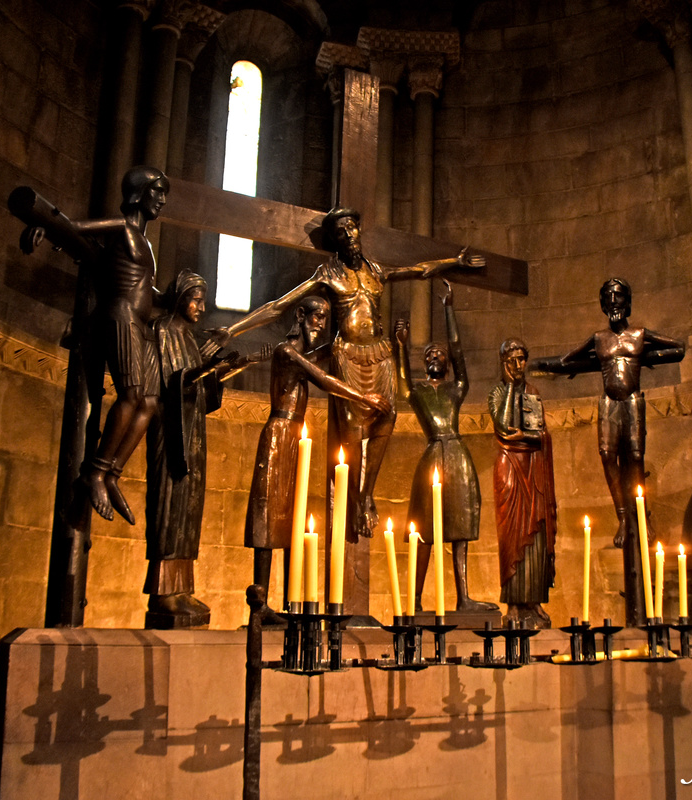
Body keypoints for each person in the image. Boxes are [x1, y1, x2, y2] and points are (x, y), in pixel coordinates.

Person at [206, 206, 482, 544]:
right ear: (335, 241)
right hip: (348, 354)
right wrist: (232, 331)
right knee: (352, 429)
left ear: (359, 231)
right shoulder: (327, 274)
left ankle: (366, 494)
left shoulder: (376, 270)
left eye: (352, 228)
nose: (349, 235)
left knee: (387, 417)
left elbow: (419, 270)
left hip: (379, 352)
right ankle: (353, 499)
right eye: (341, 232)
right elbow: (279, 304)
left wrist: (455, 261)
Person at [19, 166, 171, 526]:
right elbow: (75, 228)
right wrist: (46, 226)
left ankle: (112, 473)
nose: (162, 200)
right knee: (131, 397)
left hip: (139, 321)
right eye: (158, 191)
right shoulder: (122, 228)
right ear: (139, 193)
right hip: (119, 316)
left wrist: (174, 300)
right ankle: (94, 471)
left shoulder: (145, 242)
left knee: (150, 403)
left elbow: (146, 288)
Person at [244, 296, 389, 614]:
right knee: (269, 515)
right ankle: (261, 603)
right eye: (317, 317)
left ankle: (289, 601)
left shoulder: (300, 354)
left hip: (295, 437)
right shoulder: (286, 352)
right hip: (279, 434)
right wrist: (362, 395)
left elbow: (326, 355)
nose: (321, 324)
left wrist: (349, 343)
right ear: (300, 315)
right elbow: (323, 378)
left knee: (290, 517)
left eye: (326, 319)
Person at [144, 271, 263, 628]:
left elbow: (203, 388)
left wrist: (230, 367)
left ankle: (181, 588)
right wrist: (206, 366)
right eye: (195, 298)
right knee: (169, 505)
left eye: (203, 299)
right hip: (172, 431)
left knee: (189, 509)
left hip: (193, 429)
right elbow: (172, 380)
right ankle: (162, 592)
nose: (201, 306)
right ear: (179, 297)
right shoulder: (163, 330)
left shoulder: (191, 338)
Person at [530, 277, 685, 548]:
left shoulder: (639, 334)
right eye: (608, 298)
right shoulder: (599, 339)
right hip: (609, 402)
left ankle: (641, 516)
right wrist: (542, 366)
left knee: (635, 456)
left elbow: (678, 348)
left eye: (619, 296)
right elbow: (567, 360)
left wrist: (648, 357)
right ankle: (623, 517)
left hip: (633, 400)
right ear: (603, 304)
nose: (614, 302)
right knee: (606, 456)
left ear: (628, 302)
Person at [394, 281, 498, 614]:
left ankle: (464, 597)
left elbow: (460, 353)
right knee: (423, 530)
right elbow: (402, 384)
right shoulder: (419, 394)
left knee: (461, 529)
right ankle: (416, 600)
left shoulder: (456, 390)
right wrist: (401, 344)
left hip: (458, 456)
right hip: (431, 456)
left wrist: (449, 309)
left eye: (440, 354)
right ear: (423, 363)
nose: (436, 357)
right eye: (429, 355)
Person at [488, 338, 557, 629]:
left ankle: (534, 602)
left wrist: (529, 438)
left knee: (537, 534)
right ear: (503, 363)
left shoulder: (534, 392)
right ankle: (515, 604)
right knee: (512, 536)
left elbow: (537, 431)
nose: (518, 366)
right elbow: (504, 426)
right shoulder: (497, 393)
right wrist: (512, 387)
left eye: (522, 360)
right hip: (510, 469)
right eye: (512, 361)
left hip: (534, 467)